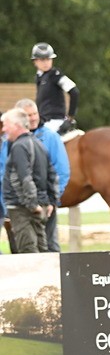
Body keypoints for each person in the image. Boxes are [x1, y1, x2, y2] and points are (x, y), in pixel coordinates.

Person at [1, 100, 70, 251]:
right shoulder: (10, 142)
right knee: (26, 246)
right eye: (28, 115)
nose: (32, 118)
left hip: (33, 204)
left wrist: (50, 201)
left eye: (34, 114)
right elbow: (4, 172)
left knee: (40, 246)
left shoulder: (49, 138)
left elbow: (59, 172)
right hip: (27, 203)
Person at [31, 43, 79, 135]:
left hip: (54, 122)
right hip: (43, 121)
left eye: (48, 59)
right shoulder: (39, 77)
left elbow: (74, 92)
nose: (46, 62)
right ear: (35, 61)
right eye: (42, 60)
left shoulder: (55, 75)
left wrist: (70, 118)